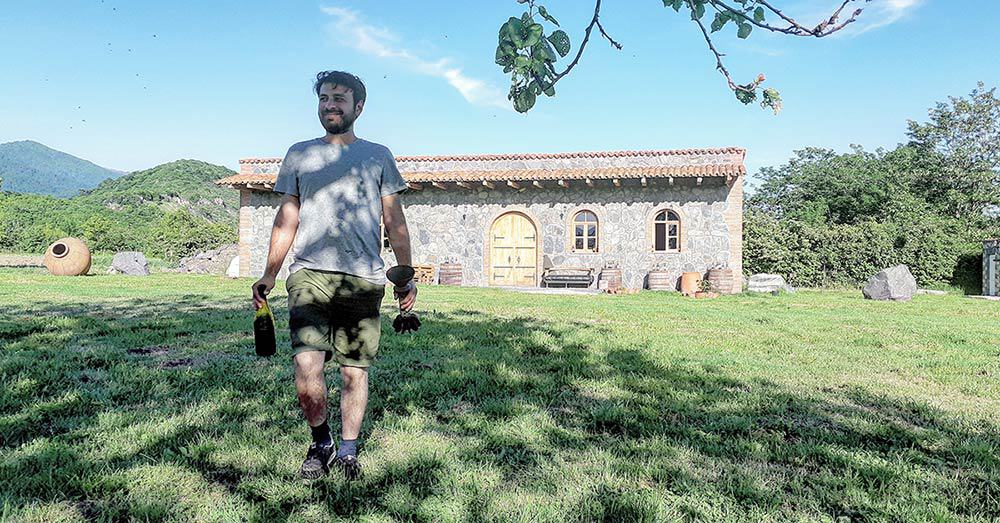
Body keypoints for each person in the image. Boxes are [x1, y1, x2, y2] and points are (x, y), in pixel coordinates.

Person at [252, 70, 416, 480]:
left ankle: (347, 450)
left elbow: (394, 220)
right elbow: (287, 217)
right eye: (324, 98)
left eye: (339, 99)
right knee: (307, 364)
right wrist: (270, 274)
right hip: (308, 274)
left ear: (358, 107)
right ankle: (319, 440)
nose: (330, 105)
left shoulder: (378, 155)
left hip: (363, 278)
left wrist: (404, 277)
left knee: (351, 370)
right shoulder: (299, 154)